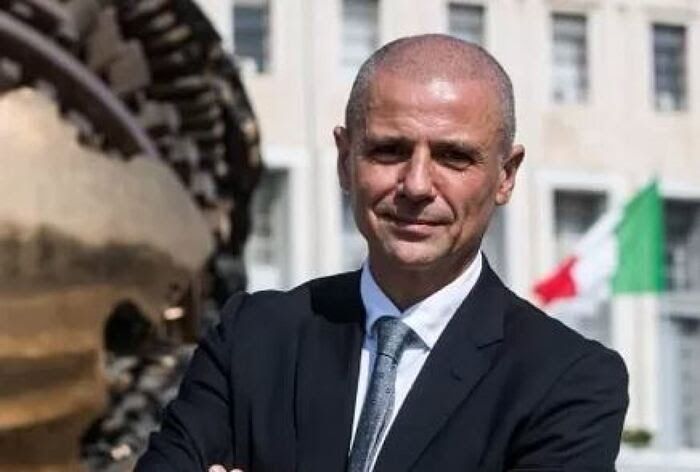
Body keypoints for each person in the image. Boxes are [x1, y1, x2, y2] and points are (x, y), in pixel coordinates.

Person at [136, 34, 628, 472]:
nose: (416, 185)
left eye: (453, 157)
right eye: (389, 151)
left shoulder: (567, 380)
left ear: (506, 175)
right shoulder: (251, 339)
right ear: (345, 160)